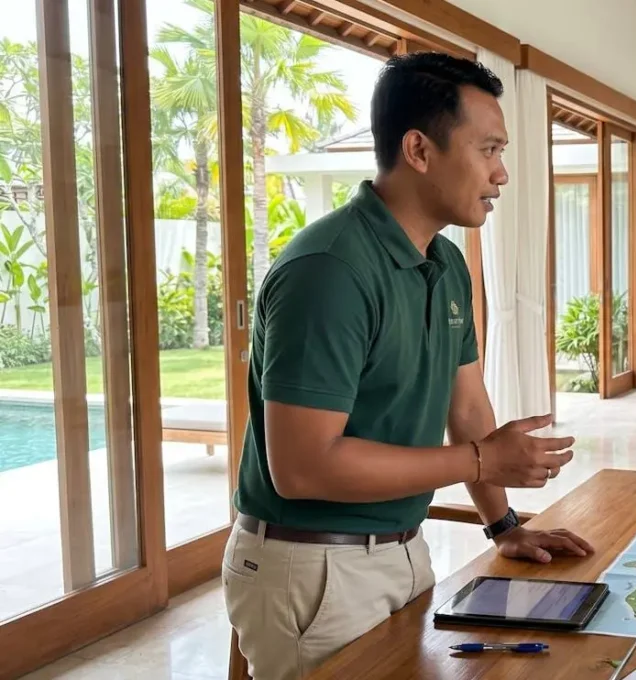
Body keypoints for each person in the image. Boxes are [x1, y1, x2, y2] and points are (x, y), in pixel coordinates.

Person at [222, 52, 594, 680]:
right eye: (489, 150)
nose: (501, 173)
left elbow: (467, 406)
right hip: (313, 567)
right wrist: (480, 461)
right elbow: (302, 467)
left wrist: (503, 524)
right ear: (419, 150)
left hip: (402, 551)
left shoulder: (445, 264)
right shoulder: (329, 271)